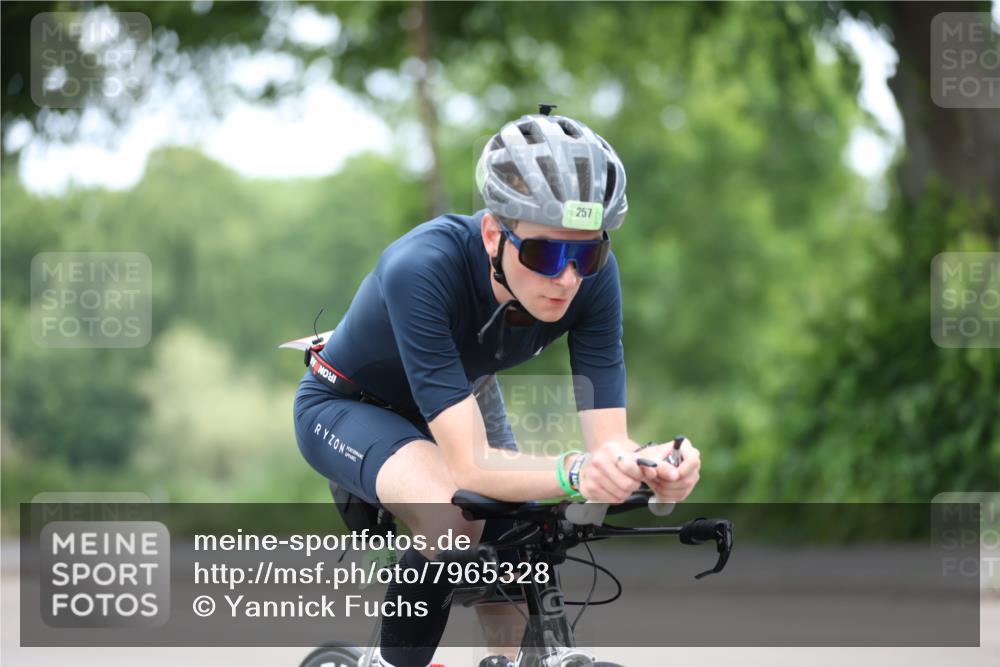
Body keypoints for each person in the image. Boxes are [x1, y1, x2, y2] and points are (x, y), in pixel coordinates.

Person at [293, 106, 702, 667]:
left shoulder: (593, 279)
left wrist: (654, 469)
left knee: (524, 525)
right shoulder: (423, 266)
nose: (567, 277)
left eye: (586, 251)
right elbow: (469, 469)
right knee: (454, 514)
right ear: (493, 233)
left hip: (460, 393)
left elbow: (610, 444)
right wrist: (576, 471)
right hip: (347, 405)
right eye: (544, 252)